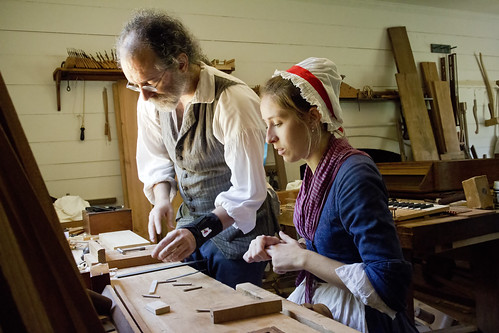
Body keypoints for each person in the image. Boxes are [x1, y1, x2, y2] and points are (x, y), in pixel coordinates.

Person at [243, 57, 418, 332]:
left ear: (313, 117)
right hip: (330, 299)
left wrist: (303, 259)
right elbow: (335, 246)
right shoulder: (315, 171)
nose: (269, 137)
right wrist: (288, 249)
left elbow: (389, 284)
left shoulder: (354, 174)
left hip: (366, 316)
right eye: (267, 124)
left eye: (277, 122)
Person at [116, 9, 279, 288]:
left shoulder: (233, 101)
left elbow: (249, 191)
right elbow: (156, 159)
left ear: (181, 63)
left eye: (150, 83)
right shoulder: (152, 101)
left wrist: (199, 231)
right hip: (192, 226)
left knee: (233, 318)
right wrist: (162, 200)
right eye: (135, 85)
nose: (143, 95)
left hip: (240, 234)